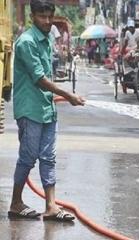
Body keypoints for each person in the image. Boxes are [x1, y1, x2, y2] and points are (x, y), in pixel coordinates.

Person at [9, 0, 85, 222]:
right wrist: (68, 95)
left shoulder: (48, 38)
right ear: (32, 16)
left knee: (49, 158)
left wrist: (58, 96)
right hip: (30, 108)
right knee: (28, 157)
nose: (47, 21)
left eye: (50, 16)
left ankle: (51, 206)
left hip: (47, 107)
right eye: (42, 16)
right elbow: (40, 78)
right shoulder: (26, 42)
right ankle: (15, 203)